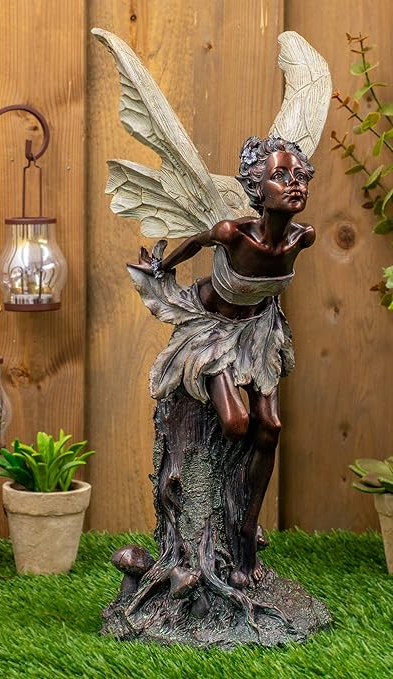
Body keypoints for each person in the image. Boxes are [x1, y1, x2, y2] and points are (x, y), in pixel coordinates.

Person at [129, 135, 315, 588]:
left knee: (270, 427)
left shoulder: (303, 237)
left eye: (300, 176)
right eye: (280, 176)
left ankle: (246, 530)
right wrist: (162, 268)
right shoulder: (234, 233)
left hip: (260, 330)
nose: (294, 184)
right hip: (212, 329)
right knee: (235, 424)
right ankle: (206, 513)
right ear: (258, 189)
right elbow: (196, 243)